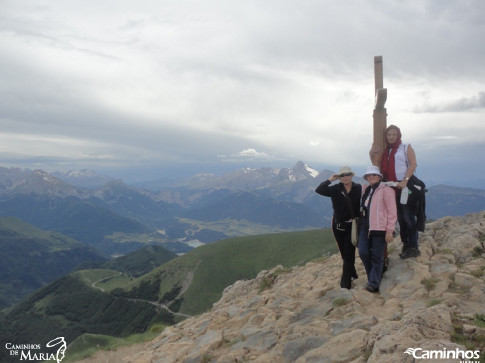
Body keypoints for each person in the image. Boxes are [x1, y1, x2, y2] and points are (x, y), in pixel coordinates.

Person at [370, 124, 420, 259]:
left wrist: (405, 180)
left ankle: (414, 246)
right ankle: (406, 244)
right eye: (389, 135)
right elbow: (377, 167)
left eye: (394, 134)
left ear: (398, 135)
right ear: (386, 136)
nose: (391, 137)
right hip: (391, 188)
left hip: (404, 186)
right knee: (400, 218)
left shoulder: (405, 147)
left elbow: (413, 163)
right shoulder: (386, 151)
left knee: (408, 217)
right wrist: (371, 153)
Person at [315, 166, 362, 289]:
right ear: (339, 177)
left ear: (351, 175)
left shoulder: (358, 188)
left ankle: (345, 284)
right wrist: (330, 180)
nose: (345, 177)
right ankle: (352, 273)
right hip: (338, 225)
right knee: (343, 252)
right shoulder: (335, 189)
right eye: (342, 175)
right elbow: (319, 190)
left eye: (347, 175)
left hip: (352, 225)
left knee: (349, 253)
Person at [358, 165, 397, 293]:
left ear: (379, 177)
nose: (371, 177)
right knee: (363, 252)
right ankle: (373, 277)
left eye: (374, 175)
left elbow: (392, 211)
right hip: (365, 226)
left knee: (377, 255)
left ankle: (373, 283)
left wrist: (389, 230)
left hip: (380, 228)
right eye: (369, 175)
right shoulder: (366, 189)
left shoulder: (386, 190)